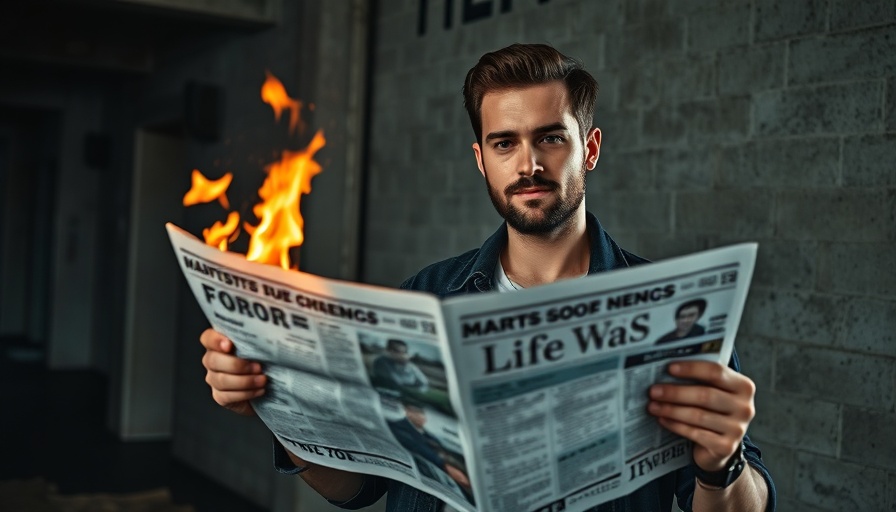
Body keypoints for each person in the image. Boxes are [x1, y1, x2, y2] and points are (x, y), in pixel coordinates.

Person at [200, 43, 776, 511]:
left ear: (590, 148)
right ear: (482, 158)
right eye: (505, 143)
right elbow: (358, 488)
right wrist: (275, 407)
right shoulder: (425, 296)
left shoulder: (672, 312)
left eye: (551, 137)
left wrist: (722, 464)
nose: (528, 165)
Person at [387, 400, 471, 495]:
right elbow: (417, 447)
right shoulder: (399, 427)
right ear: (408, 411)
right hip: (439, 465)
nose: (423, 418)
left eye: (423, 414)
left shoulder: (427, 433)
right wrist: (443, 464)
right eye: (419, 413)